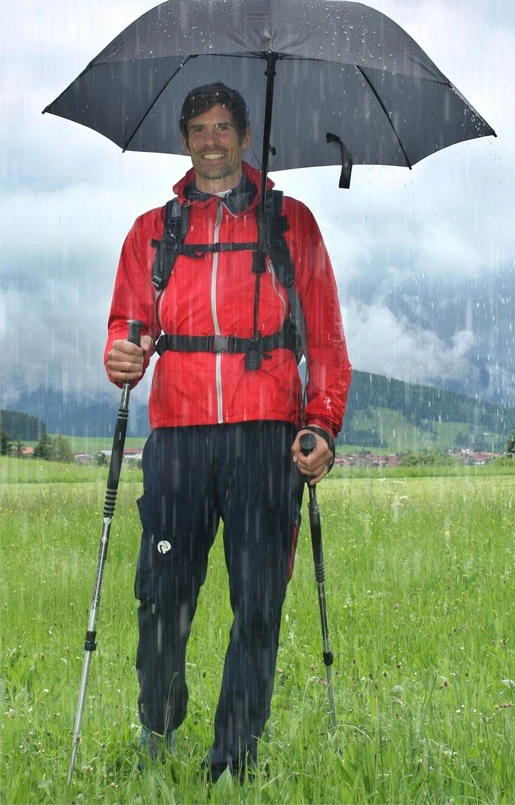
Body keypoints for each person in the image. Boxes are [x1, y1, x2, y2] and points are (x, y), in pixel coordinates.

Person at [105, 82, 351, 782]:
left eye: (223, 127)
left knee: (258, 603)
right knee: (161, 594)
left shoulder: (291, 223)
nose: (211, 140)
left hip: (265, 436)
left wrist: (322, 423)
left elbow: (326, 338)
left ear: (246, 136)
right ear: (185, 139)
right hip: (178, 436)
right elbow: (127, 325)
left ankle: (233, 761)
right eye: (199, 129)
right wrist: (122, 353)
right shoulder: (152, 231)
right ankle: (159, 725)